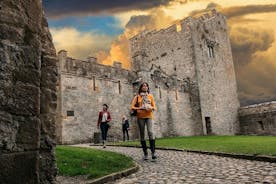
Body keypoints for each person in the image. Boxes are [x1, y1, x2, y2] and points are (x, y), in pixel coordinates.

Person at [131, 82, 157, 161]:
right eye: (143, 86)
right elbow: (132, 107)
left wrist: (151, 108)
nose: (145, 87)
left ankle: (153, 153)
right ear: (141, 88)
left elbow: (155, 107)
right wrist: (140, 108)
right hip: (140, 117)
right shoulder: (137, 97)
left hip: (149, 116)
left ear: (148, 88)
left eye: (146, 86)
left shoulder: (150, 96)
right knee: (142, 135)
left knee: (151, 132)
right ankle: (145, 153)